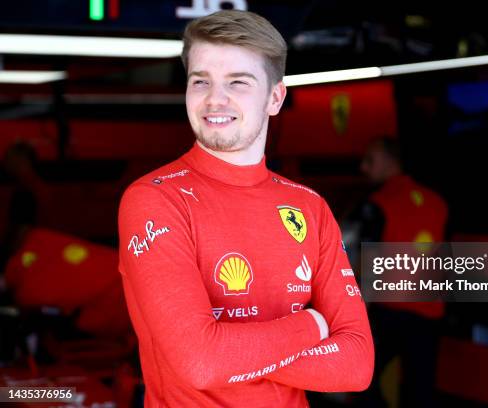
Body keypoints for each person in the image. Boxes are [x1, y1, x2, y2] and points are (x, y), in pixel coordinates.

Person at [117, 10, 374, 408]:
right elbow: (200, 363)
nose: (214, 99)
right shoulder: (154, 199)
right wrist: (312, 325)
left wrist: (229, 351)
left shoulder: (309, 207)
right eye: (200, 81)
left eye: (238, 82)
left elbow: (356, 367)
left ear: (275, 97)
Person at [355, 136, 448, 408]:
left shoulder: (377, 203)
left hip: (388, 310)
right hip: (429, 311)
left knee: (361, 381)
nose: (363, 167)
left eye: (369, 160)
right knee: (421, 390)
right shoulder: (437, 202)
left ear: (388, 161)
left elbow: (367, 263)